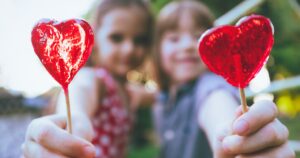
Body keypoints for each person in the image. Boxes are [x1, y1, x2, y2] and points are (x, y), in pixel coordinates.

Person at [152, 1, 295, 158]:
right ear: (157, 50)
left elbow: (218, 108)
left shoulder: (211, 86)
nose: (187, 46)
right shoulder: (164, 95)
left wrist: (233, 138)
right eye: (174, 39)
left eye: (197, 36)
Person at [22, 0, 154, 157]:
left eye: (139, 40)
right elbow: (79, 93)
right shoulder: (95, 79)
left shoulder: (130, 92)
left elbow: (159, 95)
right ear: (95, 39)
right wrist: (75, 123)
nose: (129, 49)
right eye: (116, 38)